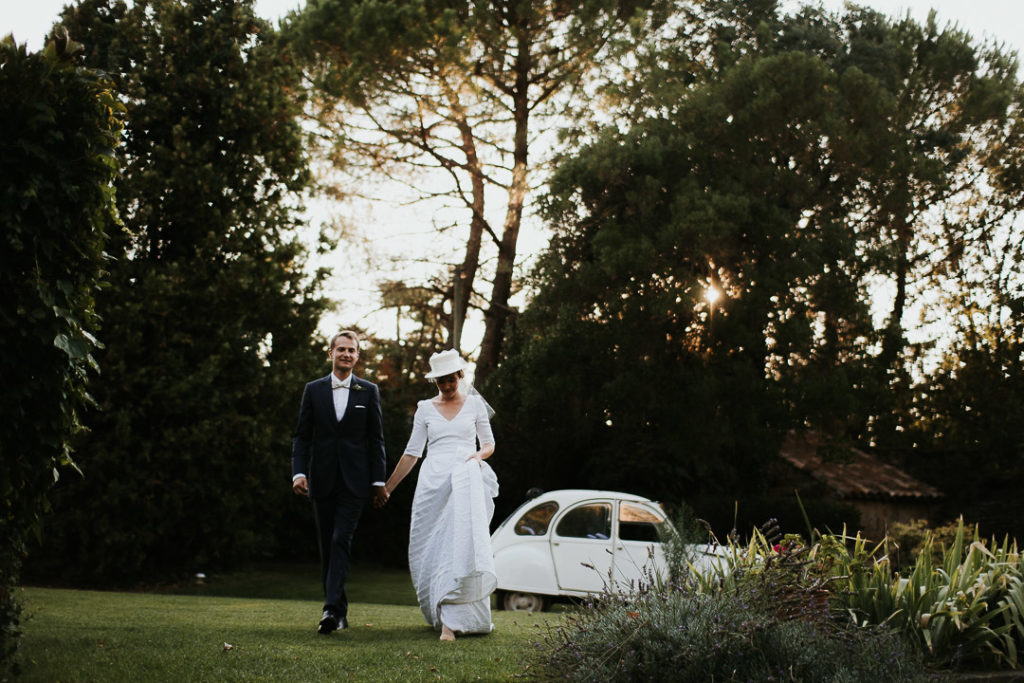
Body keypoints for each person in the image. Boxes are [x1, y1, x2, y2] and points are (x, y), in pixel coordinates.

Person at [384, 349, 498, 641]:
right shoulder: (424, 408)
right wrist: (388, 487)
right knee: (429, 547)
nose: (446, 386)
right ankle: (439, 610)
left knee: (457, 543)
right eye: (440, 382)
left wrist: (475, 458)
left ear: (460, 376)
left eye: (451, 380)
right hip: (432, 481)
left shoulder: (474, 405)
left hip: (463, 478)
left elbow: (488, 444)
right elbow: (412, 453)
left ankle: (453, 621)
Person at [291, 330, 388, 635]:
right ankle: (339, 611)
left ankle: (330, 609)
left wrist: (377, 481)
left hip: (355, 482)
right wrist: (298, 472)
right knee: (327, 546)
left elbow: (376, 439)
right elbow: (302, 436)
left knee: (340, 540)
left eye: (352, 350)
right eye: (341, 349)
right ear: (330, 353)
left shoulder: (368, 391)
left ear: (358, 356)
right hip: (321, 479)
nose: (346, 354)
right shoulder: (313, 390)